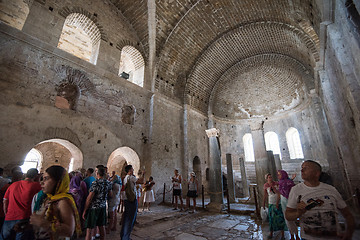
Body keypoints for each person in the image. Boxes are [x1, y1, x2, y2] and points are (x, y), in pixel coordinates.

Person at [285, 160, 355, 240]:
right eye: (302, 168)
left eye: (306, 168)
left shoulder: (331, 189)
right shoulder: (296, 190)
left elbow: (347, 214)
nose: (302, 170)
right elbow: (288, 215)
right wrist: (298, 212)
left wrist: (349, 234)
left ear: (317, 173)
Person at [30, 165, 81, 240]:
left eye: (46, 179)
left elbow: (69, 231)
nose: (42, 182)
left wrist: (46, 224)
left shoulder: (62, 202)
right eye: (42, 179)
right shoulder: (49, 198)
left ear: (58, 181)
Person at [1, 168, 41, 240]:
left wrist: (6, 214)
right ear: (36, 176)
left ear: (25, 174)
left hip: (9, 216)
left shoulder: (13, 184)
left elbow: (5, 201)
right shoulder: (37, 186)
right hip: (24, 218)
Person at [82, 165, 112, 240]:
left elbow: (89, 198)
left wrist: (85, 210)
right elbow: (110, 195)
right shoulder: (108, 183)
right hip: (102, 207)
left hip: (94, 208)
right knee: (102, 227)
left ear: (97, 172)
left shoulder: (95, 183)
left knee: (89, 229)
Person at [120, 165, 145, 240]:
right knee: (130, 219)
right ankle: (126, 237)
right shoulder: (131, 177)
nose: (133, 170)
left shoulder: (125, 178)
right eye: (132, 169)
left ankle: (123, 236)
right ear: (130, 170)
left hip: (127, 199)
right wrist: (143, 174)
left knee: (127, 218)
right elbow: (141, 181)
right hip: (131, 200)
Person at [262, 173, 286, 240]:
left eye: (271, 177)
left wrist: (277, 203)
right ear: (266, 179)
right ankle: (271, 233)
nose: (270, 178)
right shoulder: (266, 185)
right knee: (271, 219)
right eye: (269, 177)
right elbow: (265, 195)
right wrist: (263, 203)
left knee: (280, 219)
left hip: (278, 203)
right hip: (271, 203)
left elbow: (279, 193)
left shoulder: (276, 183)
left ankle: (283, 235)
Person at [277, 170, 299, 240]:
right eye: (278, 174)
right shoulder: (284, 182)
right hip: (285, 201)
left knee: (291, 219)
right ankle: (293, 235)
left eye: (280, 174)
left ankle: (295, 235)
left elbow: (291, 190)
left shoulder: (286, 182)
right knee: (289, 220)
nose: (278, 176)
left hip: (289, 201)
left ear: (283, 175)